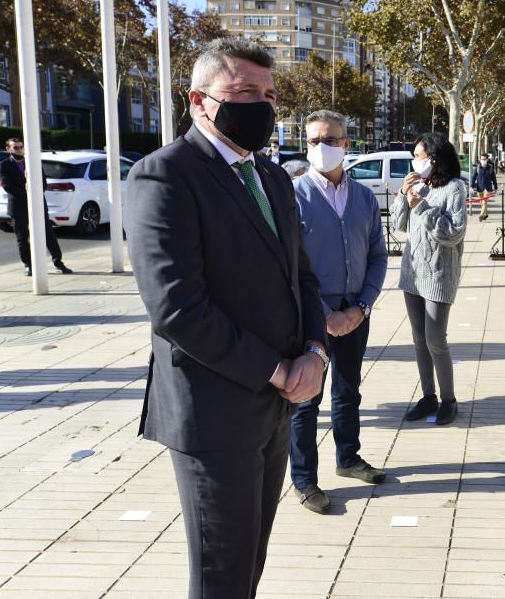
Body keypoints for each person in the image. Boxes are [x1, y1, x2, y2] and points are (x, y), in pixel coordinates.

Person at [125, 38, 329, 598]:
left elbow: (302, 278)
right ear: (198, 101)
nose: (259, 106)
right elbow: (177, 309)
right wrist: (277, 370)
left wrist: (314, 352)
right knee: (222, 574)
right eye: (242, 92)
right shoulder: (163, 176)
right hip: (215, 412)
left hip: (275, 408)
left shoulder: (273, 178)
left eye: (267, 94)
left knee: (249, 564)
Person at [288, 109, 388, 515]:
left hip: (356, 312)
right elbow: (291, 264)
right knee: (306, 399)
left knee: (348, 391)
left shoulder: (364, 197)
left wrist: (361, 308)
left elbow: (379, 255)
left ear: (347, 144)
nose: (322, 148)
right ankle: (305, 480)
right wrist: (326, 313)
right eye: (313, 141)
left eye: (330, 140)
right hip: (313, 314)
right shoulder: (294, 195)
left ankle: (348, 458)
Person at [391, 133, 467, 426]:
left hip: (438, 273)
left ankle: (449, 399)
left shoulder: (454, 188)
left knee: (436, 339)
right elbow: (399, 225)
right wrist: (403, 194)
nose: (415, 161)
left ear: (434, 159)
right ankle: (428, 396)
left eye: (418, 156)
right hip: (412, 273)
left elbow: (452, 233)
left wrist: (421, 205)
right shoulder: (417, 185)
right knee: (419, 339)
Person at [0, 137, 71, 277]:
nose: (19, 150)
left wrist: (34, 196)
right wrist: (28, 194)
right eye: (16, 147)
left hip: (38, 204)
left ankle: (58, 262)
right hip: (18, 206)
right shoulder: (3, 165)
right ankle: (28, 265)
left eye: (21, 147)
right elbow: (8, 187)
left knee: (48, 234)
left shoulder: (33, 163)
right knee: (22, 237)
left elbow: (42, 183)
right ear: (8, 149)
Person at [470, 151, 498, 220]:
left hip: (488, 188)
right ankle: (486, 214)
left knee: (484, 201)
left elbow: (494, 178)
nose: (483, 160)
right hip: (479, 187)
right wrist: (471, 186)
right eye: (482, 159)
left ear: (487, 160)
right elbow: (473, 177)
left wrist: (496, 187)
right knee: (482, 203)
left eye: (484, 159)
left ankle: (481, 215)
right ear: (480, 159)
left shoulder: (490, 168)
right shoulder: (478, 167)